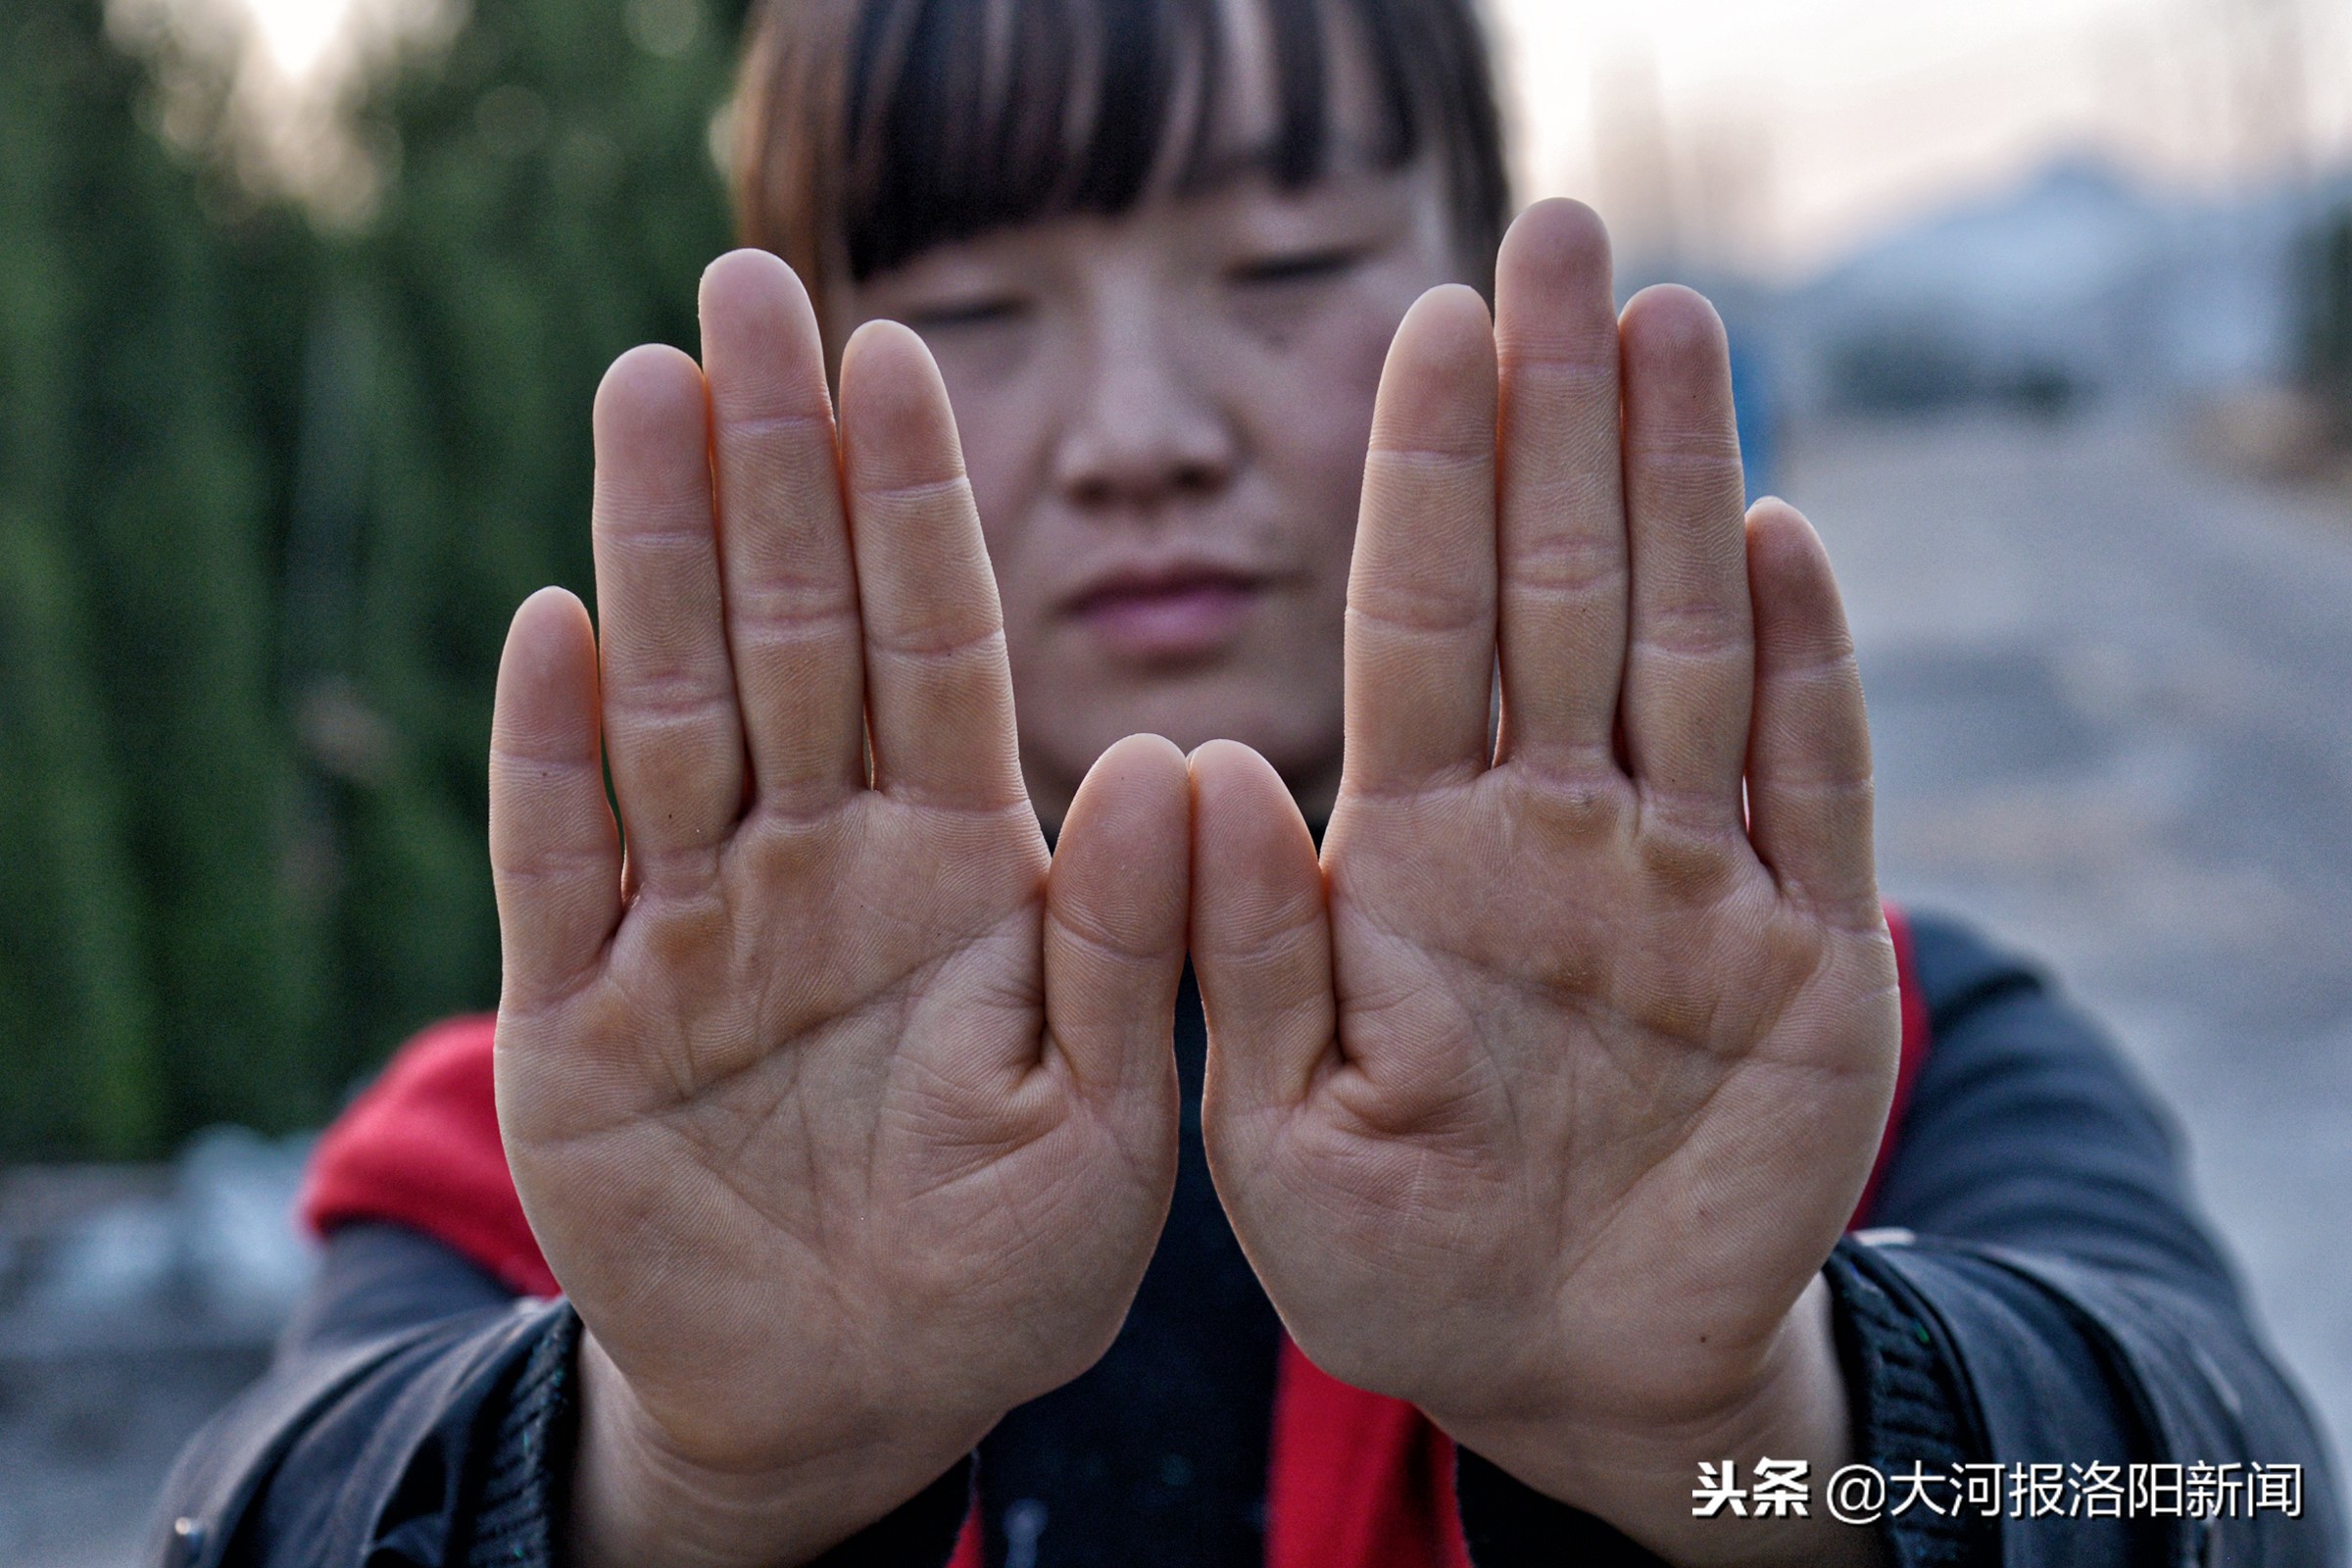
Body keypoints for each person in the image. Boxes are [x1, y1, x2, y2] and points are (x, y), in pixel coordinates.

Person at [153, 0, 2339, 1563]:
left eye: (1282, 268)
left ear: (1481, 287)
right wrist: (676, 1472)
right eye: (976, 310)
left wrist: (1749, 1424)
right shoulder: (550, 1148)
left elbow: (2236, 1487)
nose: (1137, 429)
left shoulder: (1878, 1055)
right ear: (802, 394)